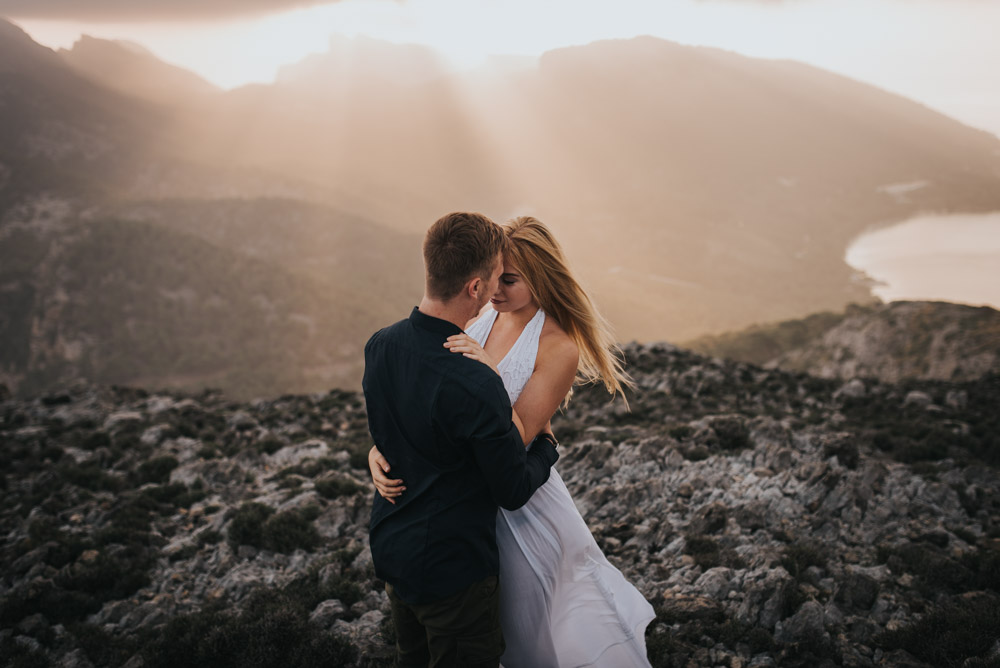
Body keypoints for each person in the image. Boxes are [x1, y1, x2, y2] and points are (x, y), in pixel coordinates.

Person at [370, 216, 655, 667]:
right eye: (495, 277)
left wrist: (488, 371)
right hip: (465, 495)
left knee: (534, 623)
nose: (496, 291)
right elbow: (434, 398)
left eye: (511, 280)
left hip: (518, 503)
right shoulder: (485, 316)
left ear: (541, 279)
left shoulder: (558, 346)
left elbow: (521, 434)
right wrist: (384, 447)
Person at [363, 211, 560, 668]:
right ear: (474, 287)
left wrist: (376, 451)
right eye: (494, 279)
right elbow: (510, 490)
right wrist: (548, 448)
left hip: (393, 550)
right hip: (452, 569)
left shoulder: (381, 344)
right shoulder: (475, 382)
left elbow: (400, 426)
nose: (496, 292)